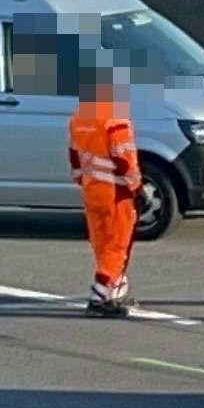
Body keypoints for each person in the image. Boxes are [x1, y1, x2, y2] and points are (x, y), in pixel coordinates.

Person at [65, 69, 141, 318]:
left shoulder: (78, 118)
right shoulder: (115, 119)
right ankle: (99, 296)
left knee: (101, 244)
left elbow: (74, 155)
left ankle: (113, 292)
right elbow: (124, 158)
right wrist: (135, 185)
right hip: (115, 191)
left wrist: (80, 178)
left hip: (91, 189)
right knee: (117, 245)